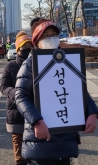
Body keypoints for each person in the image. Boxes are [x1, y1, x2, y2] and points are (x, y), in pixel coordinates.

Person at [15, 18, 98, 164]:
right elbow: (20, 96)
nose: (51, 38)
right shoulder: (30, 64)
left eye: (54, 34)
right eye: (46, 35)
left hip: (66, 142)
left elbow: (79, 90)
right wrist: (37, 121)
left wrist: (92, 112)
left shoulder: (67, 61)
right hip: (40, 143)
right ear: (37, 40)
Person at [0, 31, 33, 165]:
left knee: (32, 147)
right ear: (18, 49)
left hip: (34, 111)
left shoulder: (36, 64)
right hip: (16, 110)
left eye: (30, 47)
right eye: (24, 47)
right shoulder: (11, 66)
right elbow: (3, 87)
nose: (27, 50)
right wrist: (16, 93)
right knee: (19, 150)